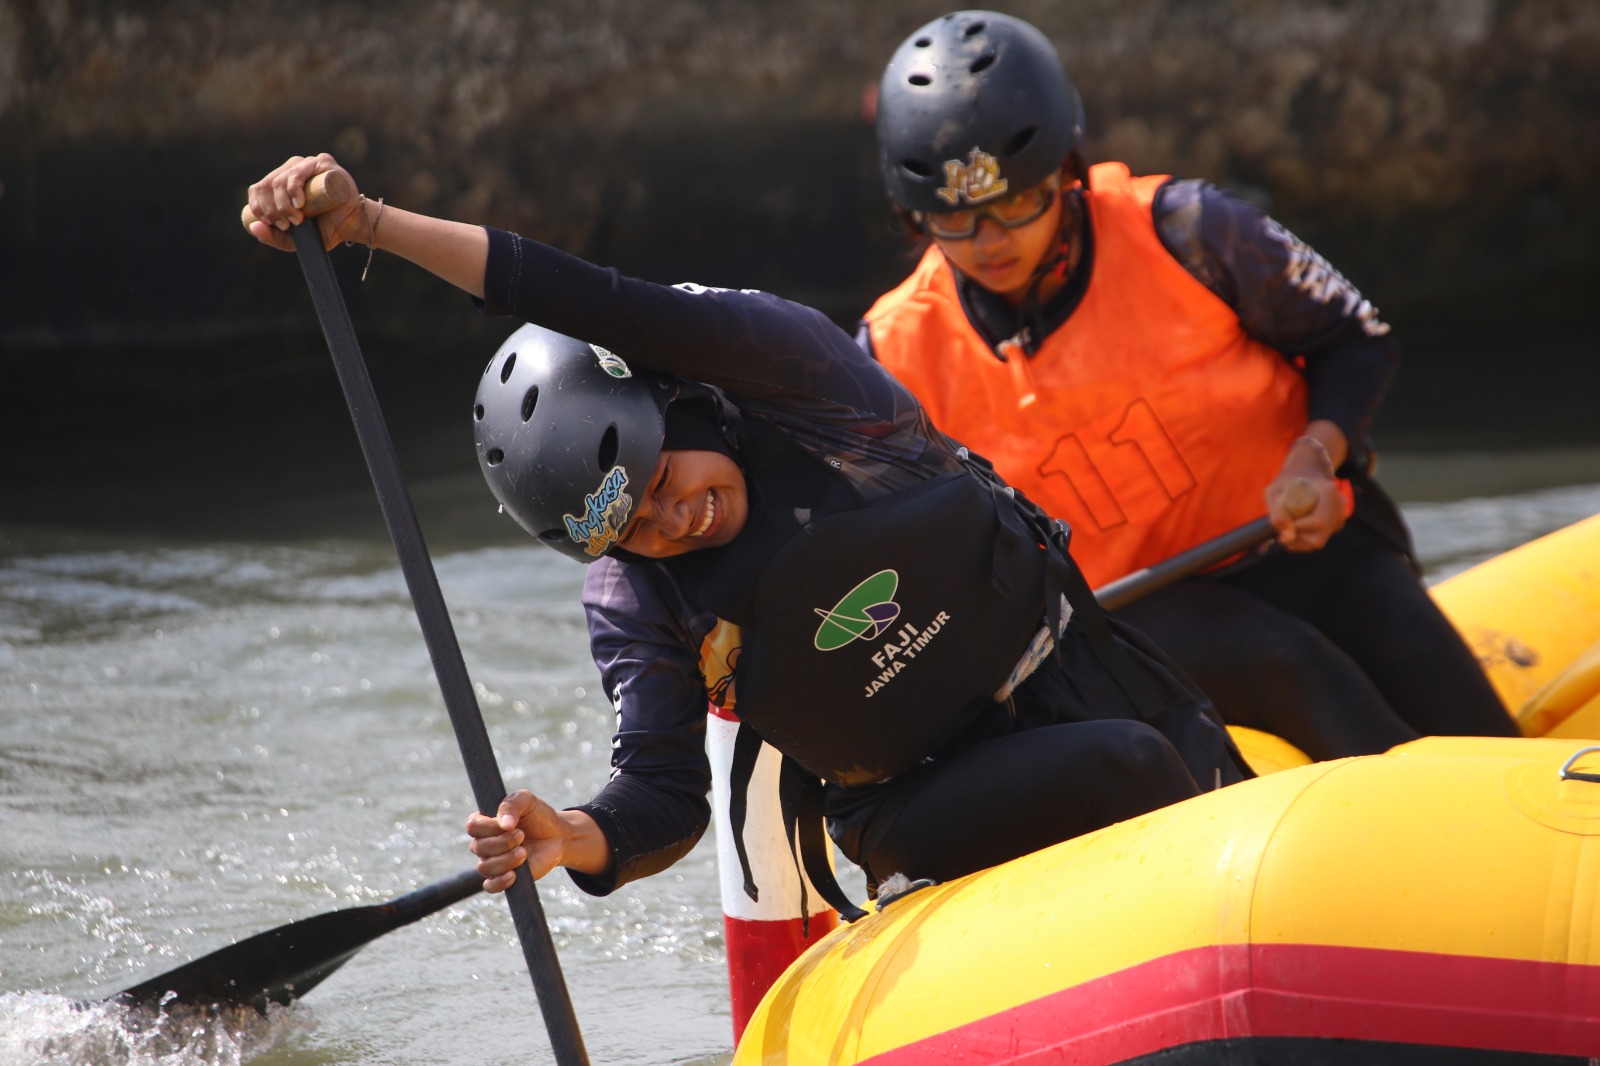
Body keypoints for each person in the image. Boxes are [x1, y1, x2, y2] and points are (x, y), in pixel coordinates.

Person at [246, 153, 1249, 906]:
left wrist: (371, 223)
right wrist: (573, 836)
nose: (672, 521)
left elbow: (588, 297)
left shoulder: (791, 380)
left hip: (1073, 668)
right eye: (632, 529)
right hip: (920, 797)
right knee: (1126, 764)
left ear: (677, 410)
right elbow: (663, 789)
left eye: (662, 480)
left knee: (1211, 731)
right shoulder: (634, 596)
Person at [858, 10, 1516, 761]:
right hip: (1134, 613)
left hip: (1296, 544)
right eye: (956, 220)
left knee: (1445, 685)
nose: (992, 241)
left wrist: (1315, 454)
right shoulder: (890, 350)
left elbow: (1355, 340)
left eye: (1017, 202)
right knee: (1293, 667)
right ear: (915, 217)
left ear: (1067, 173)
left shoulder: (1193, 230)